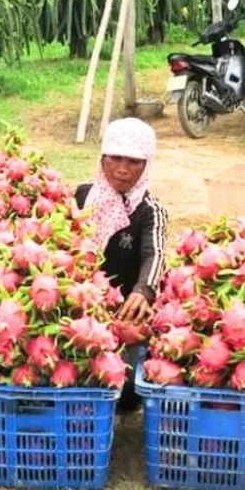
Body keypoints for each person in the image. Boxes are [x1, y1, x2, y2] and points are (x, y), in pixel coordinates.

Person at [75, 117, 168, 412]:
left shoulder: (150, 211)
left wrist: (143, 290)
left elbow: (155, 253)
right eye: (115, 158)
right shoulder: (80, 197)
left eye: (134, 161)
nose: (123, 169)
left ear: (147, 165)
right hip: (76, 309)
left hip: (126, 314)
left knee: (126, 394)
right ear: (102, 158)